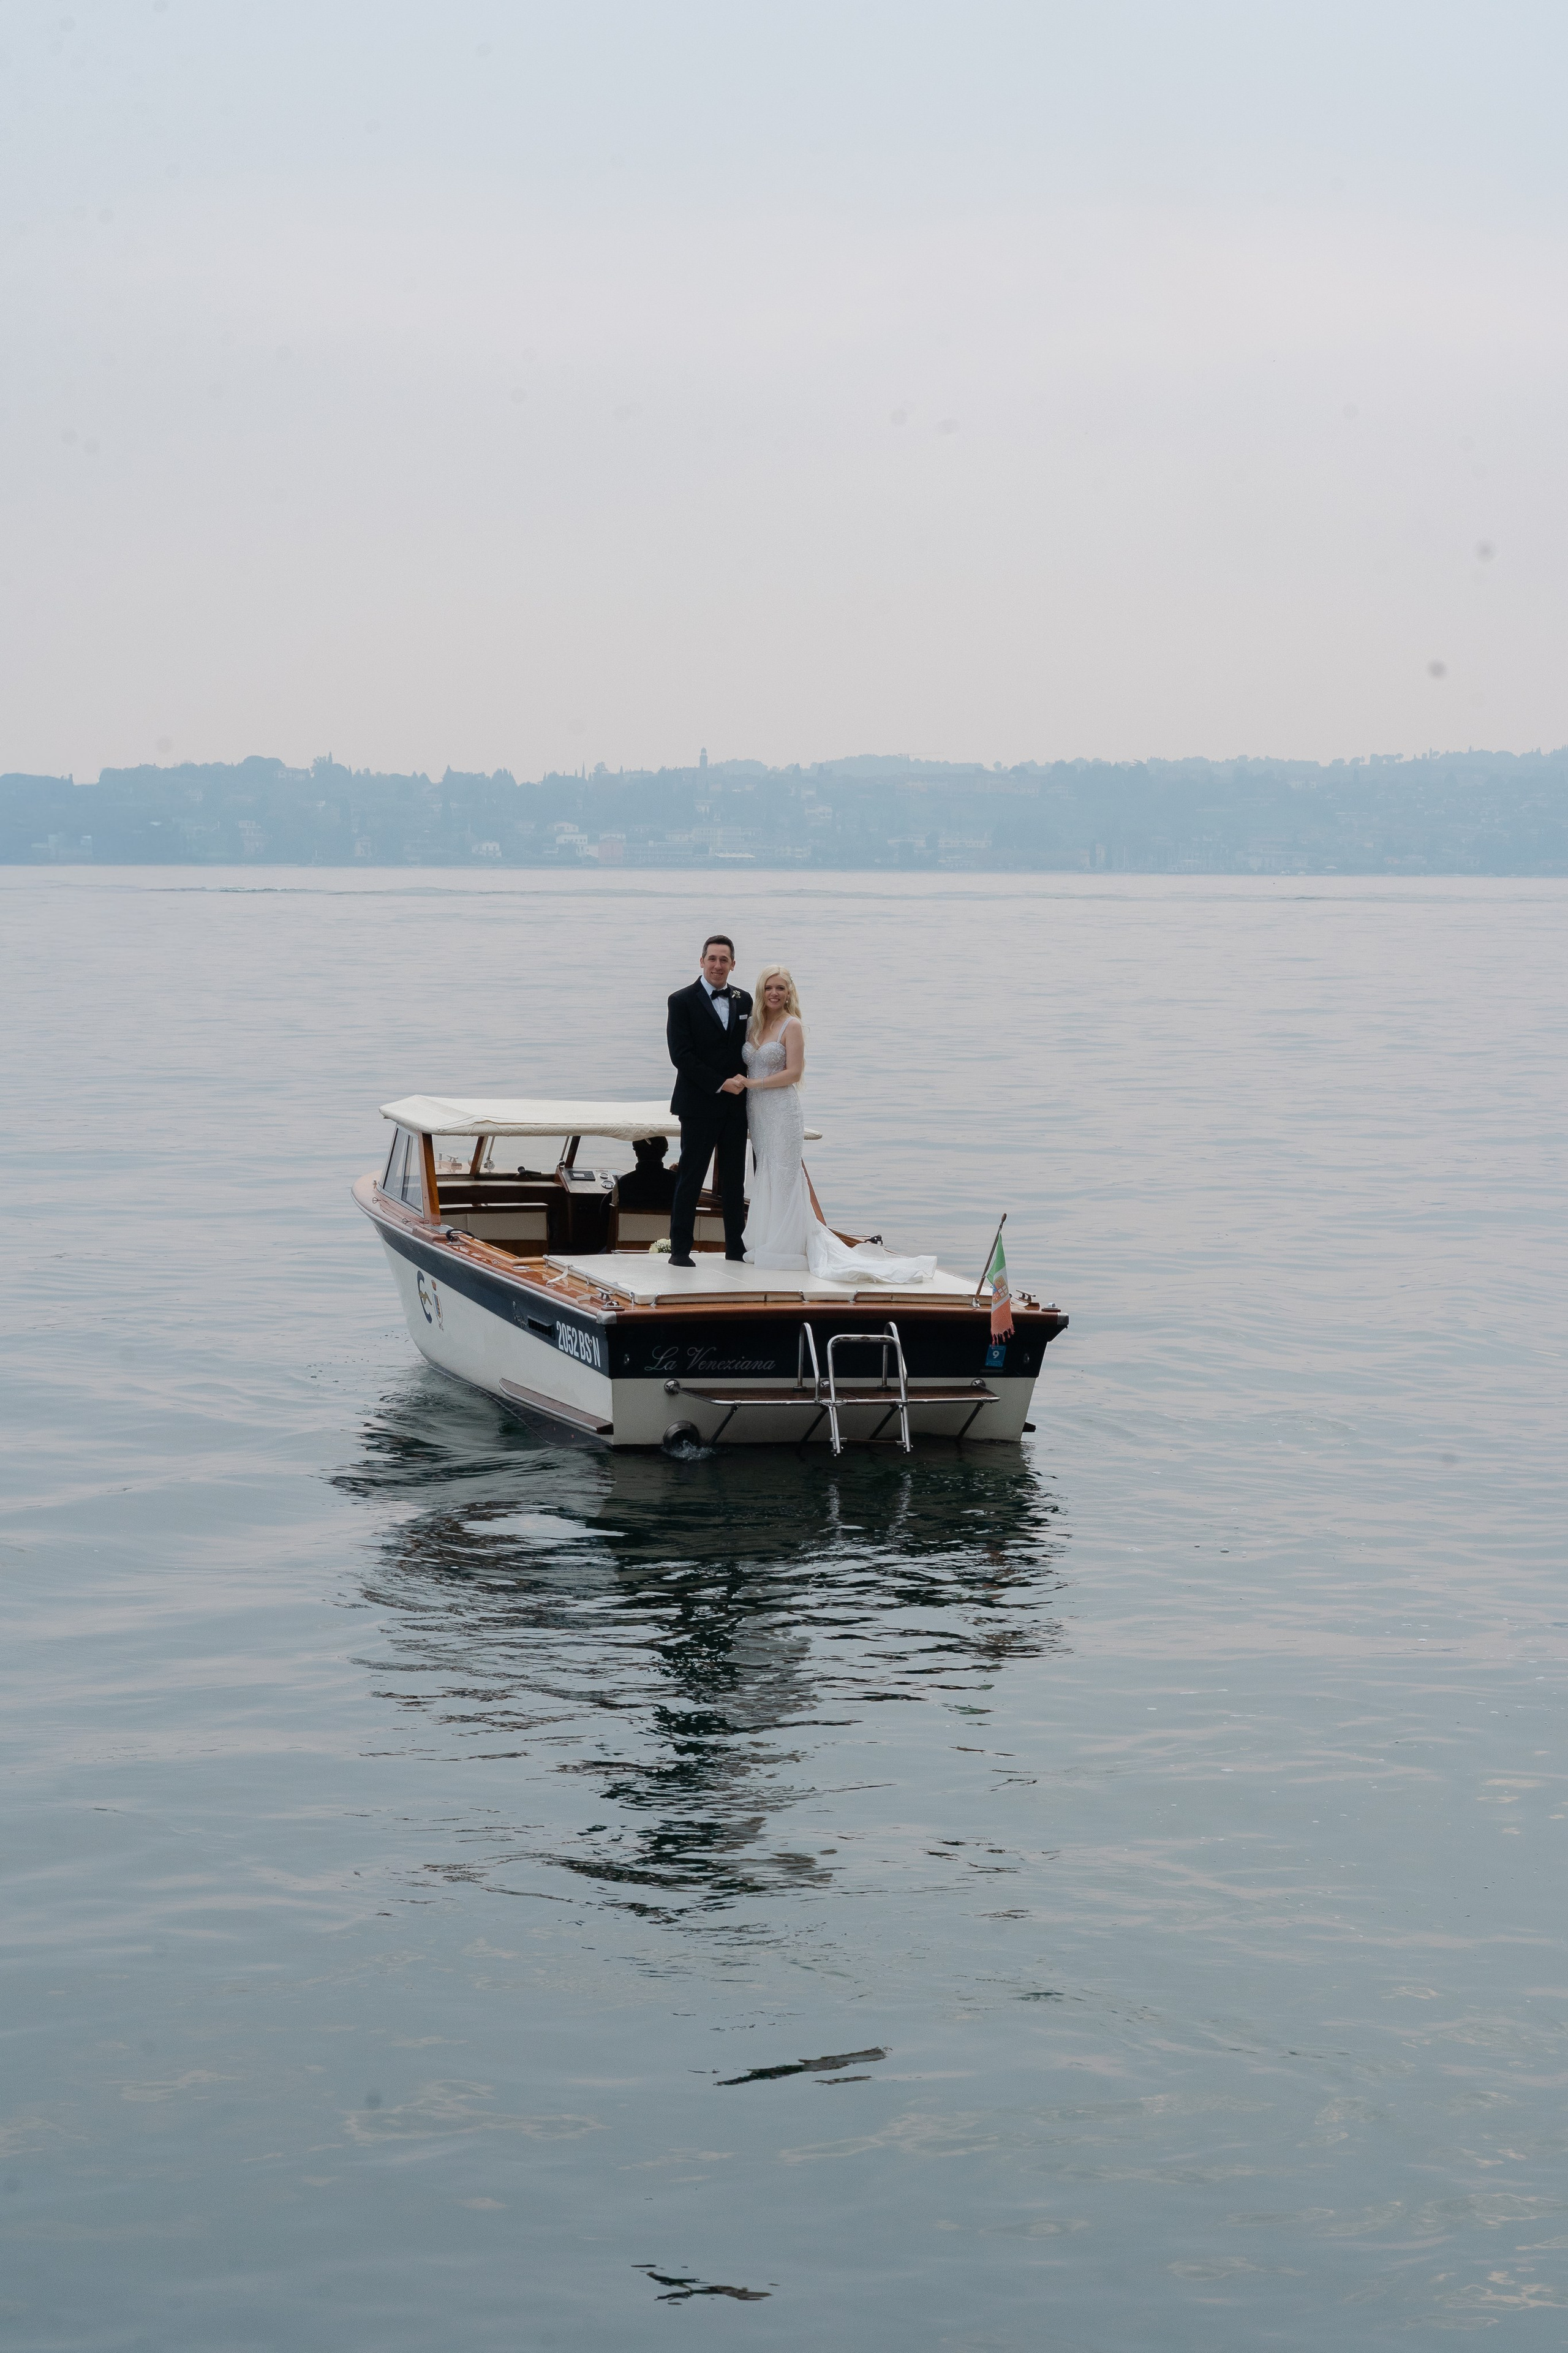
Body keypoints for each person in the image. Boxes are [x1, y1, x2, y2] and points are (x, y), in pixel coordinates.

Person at [739, 963, 937, 1284]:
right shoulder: (754, 1025)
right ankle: (767, 1242)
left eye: (781, 988)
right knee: (767, 1172)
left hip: (782, 1109)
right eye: (769, 988)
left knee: (786, 1175)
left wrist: (753, 1085)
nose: (774, 993)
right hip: (758, 1112)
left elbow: (794, 1073)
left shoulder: (792, 1025)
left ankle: (789, 1247)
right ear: (761, 991)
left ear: (789, 993)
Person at [665, 935, 752, 1264]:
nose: (718, 965)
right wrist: (720, 1084)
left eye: (724, 960)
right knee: (691, 1175)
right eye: (712, 959)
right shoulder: (681, 1000)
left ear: (733, 964)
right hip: (699, 1103)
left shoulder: (745, 1000)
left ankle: (736, 1249)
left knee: (734, 1180)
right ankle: (680, 1251)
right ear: (701, 962)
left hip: (736, 1106)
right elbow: (681, 1056)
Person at [616, 1134, 678, 1210]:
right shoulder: (678, 1182)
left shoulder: (623, 1183)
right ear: (664, 1152)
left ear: (637, 1153)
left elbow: (609, 1211)